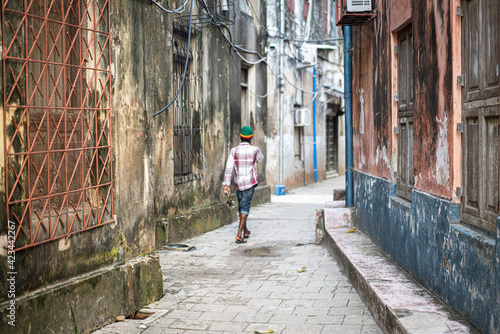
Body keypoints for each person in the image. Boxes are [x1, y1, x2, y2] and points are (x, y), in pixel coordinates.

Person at [222, 126, 264, 244]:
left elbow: (229, 168)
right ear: (251, 138)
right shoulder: (255, 150)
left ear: (240, 137)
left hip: (238, 184)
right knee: (245, 208)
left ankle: (245, 231)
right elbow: (260, 159)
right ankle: (239, 235)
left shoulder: (234, 151)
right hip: (249, 184)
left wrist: (226, 184)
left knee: (241, 207)